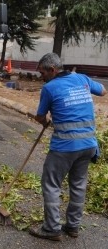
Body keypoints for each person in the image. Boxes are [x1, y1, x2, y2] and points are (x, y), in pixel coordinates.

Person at [28, 52, 107, 241]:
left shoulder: (49, 88)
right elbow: (103, 91)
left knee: (51, 184)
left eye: (43, 73)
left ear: (52, 70)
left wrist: (43, 121)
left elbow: (40, 117)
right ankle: (73, 227)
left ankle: (52, 229)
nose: (41, 77)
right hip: (88, 144)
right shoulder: (82, 78)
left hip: (65, 146)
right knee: (78, 186)